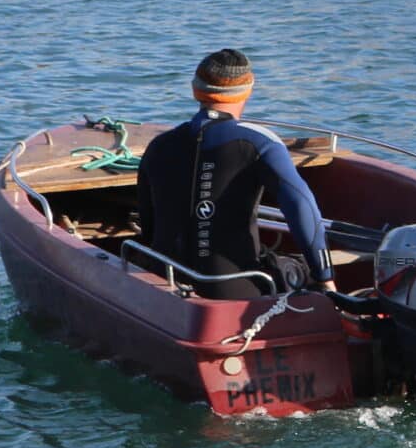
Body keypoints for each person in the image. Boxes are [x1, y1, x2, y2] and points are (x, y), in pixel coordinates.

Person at [135, 49, 332, 299]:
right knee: (296, 268)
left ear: (195, 89)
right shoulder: (260, 142)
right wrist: (325, 277)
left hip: (164, 281)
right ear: (248, 89)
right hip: (236, 289)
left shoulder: (159, 146)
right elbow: (301, 205)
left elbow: (149, 225)